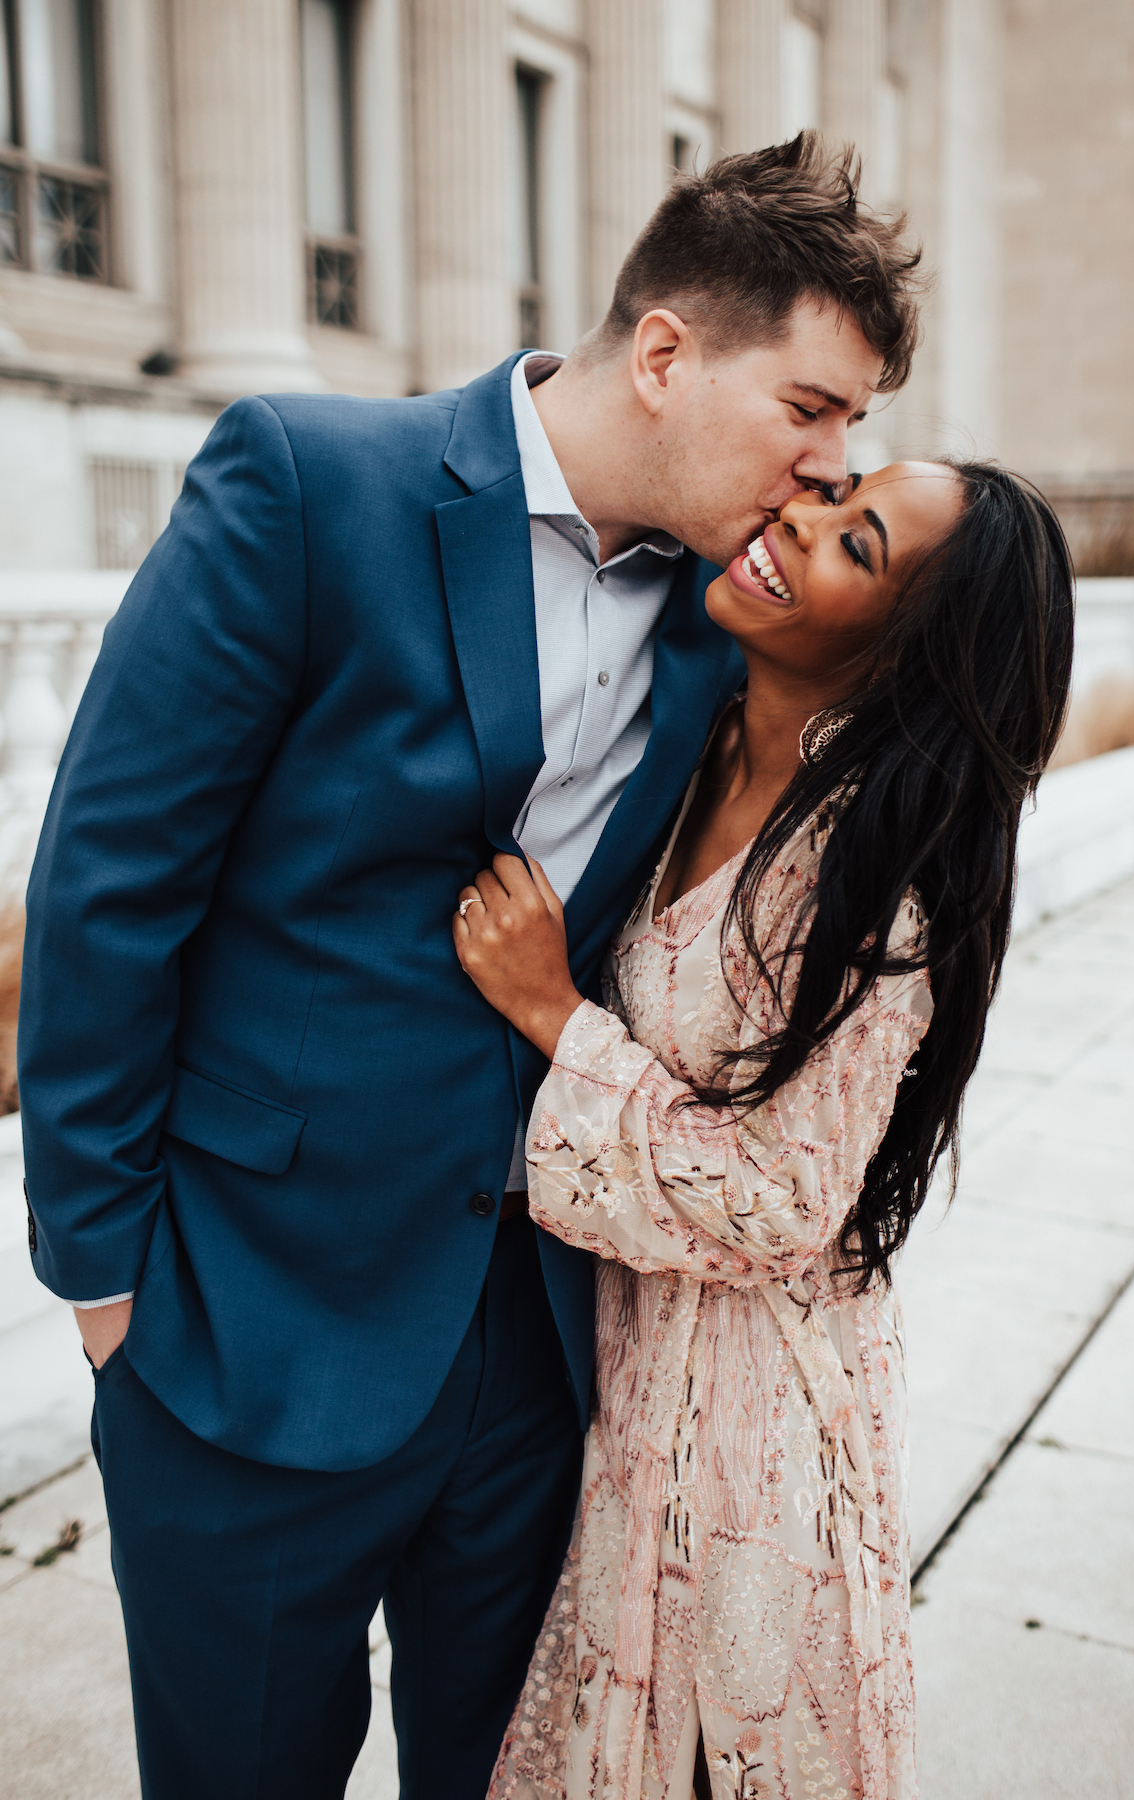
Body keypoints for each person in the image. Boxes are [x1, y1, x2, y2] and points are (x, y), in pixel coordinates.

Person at [17, 136, 920, 1799]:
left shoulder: (722, 617)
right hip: (244, 1320)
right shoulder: (308, 478)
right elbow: (111, 875)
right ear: (664, 353)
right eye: (811, 409)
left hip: (532, 1346)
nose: (827, 465)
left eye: (851, 428)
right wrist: (102, 1282)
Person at [457, 461, 1074, 1800]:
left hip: (758, 1419)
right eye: (834, 490)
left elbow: (780, 1195)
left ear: (905, 641)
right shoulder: (693, 736)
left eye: (852, 543)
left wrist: (557, 1018)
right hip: (618, 1371)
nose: (792, 522)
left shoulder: (876, 875)